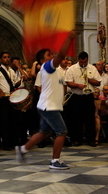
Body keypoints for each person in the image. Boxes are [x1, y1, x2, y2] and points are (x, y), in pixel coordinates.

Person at [15, 30, 76, 170]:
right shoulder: (47, 67)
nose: (52, 56)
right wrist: (68, 38)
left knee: (44, 132)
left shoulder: (55, 70)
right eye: (49, 55)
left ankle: (23, 150)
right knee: (61, 132)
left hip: (47, 105)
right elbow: (61, 55)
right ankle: (55, 161)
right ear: (42, 60)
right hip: (49, 106)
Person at [0, 51, 25, 150]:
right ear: (0, 59)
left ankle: (13, 142)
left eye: (8, 57)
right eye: (4, 57)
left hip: (11, 98)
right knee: (3, 122)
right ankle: (6, 143)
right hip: (3, 99)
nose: (7, 59)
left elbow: (15, 84)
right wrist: (0, 91)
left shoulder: (11, 70)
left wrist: (20, 80)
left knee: (12, 121)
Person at [65, 51, 102, 146]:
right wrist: (77, 85)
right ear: (78, 60)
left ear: (87, 60)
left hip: (88, 96)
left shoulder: (92, 68)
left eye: (85, 62)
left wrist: (88, 80)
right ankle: (77, 139)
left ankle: (91, 140)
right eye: (81, 62)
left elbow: (98, 82)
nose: (83, 64)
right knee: (76, 119)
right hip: (76, 96)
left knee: (90, 118)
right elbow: (68, 82)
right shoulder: (72, 69)